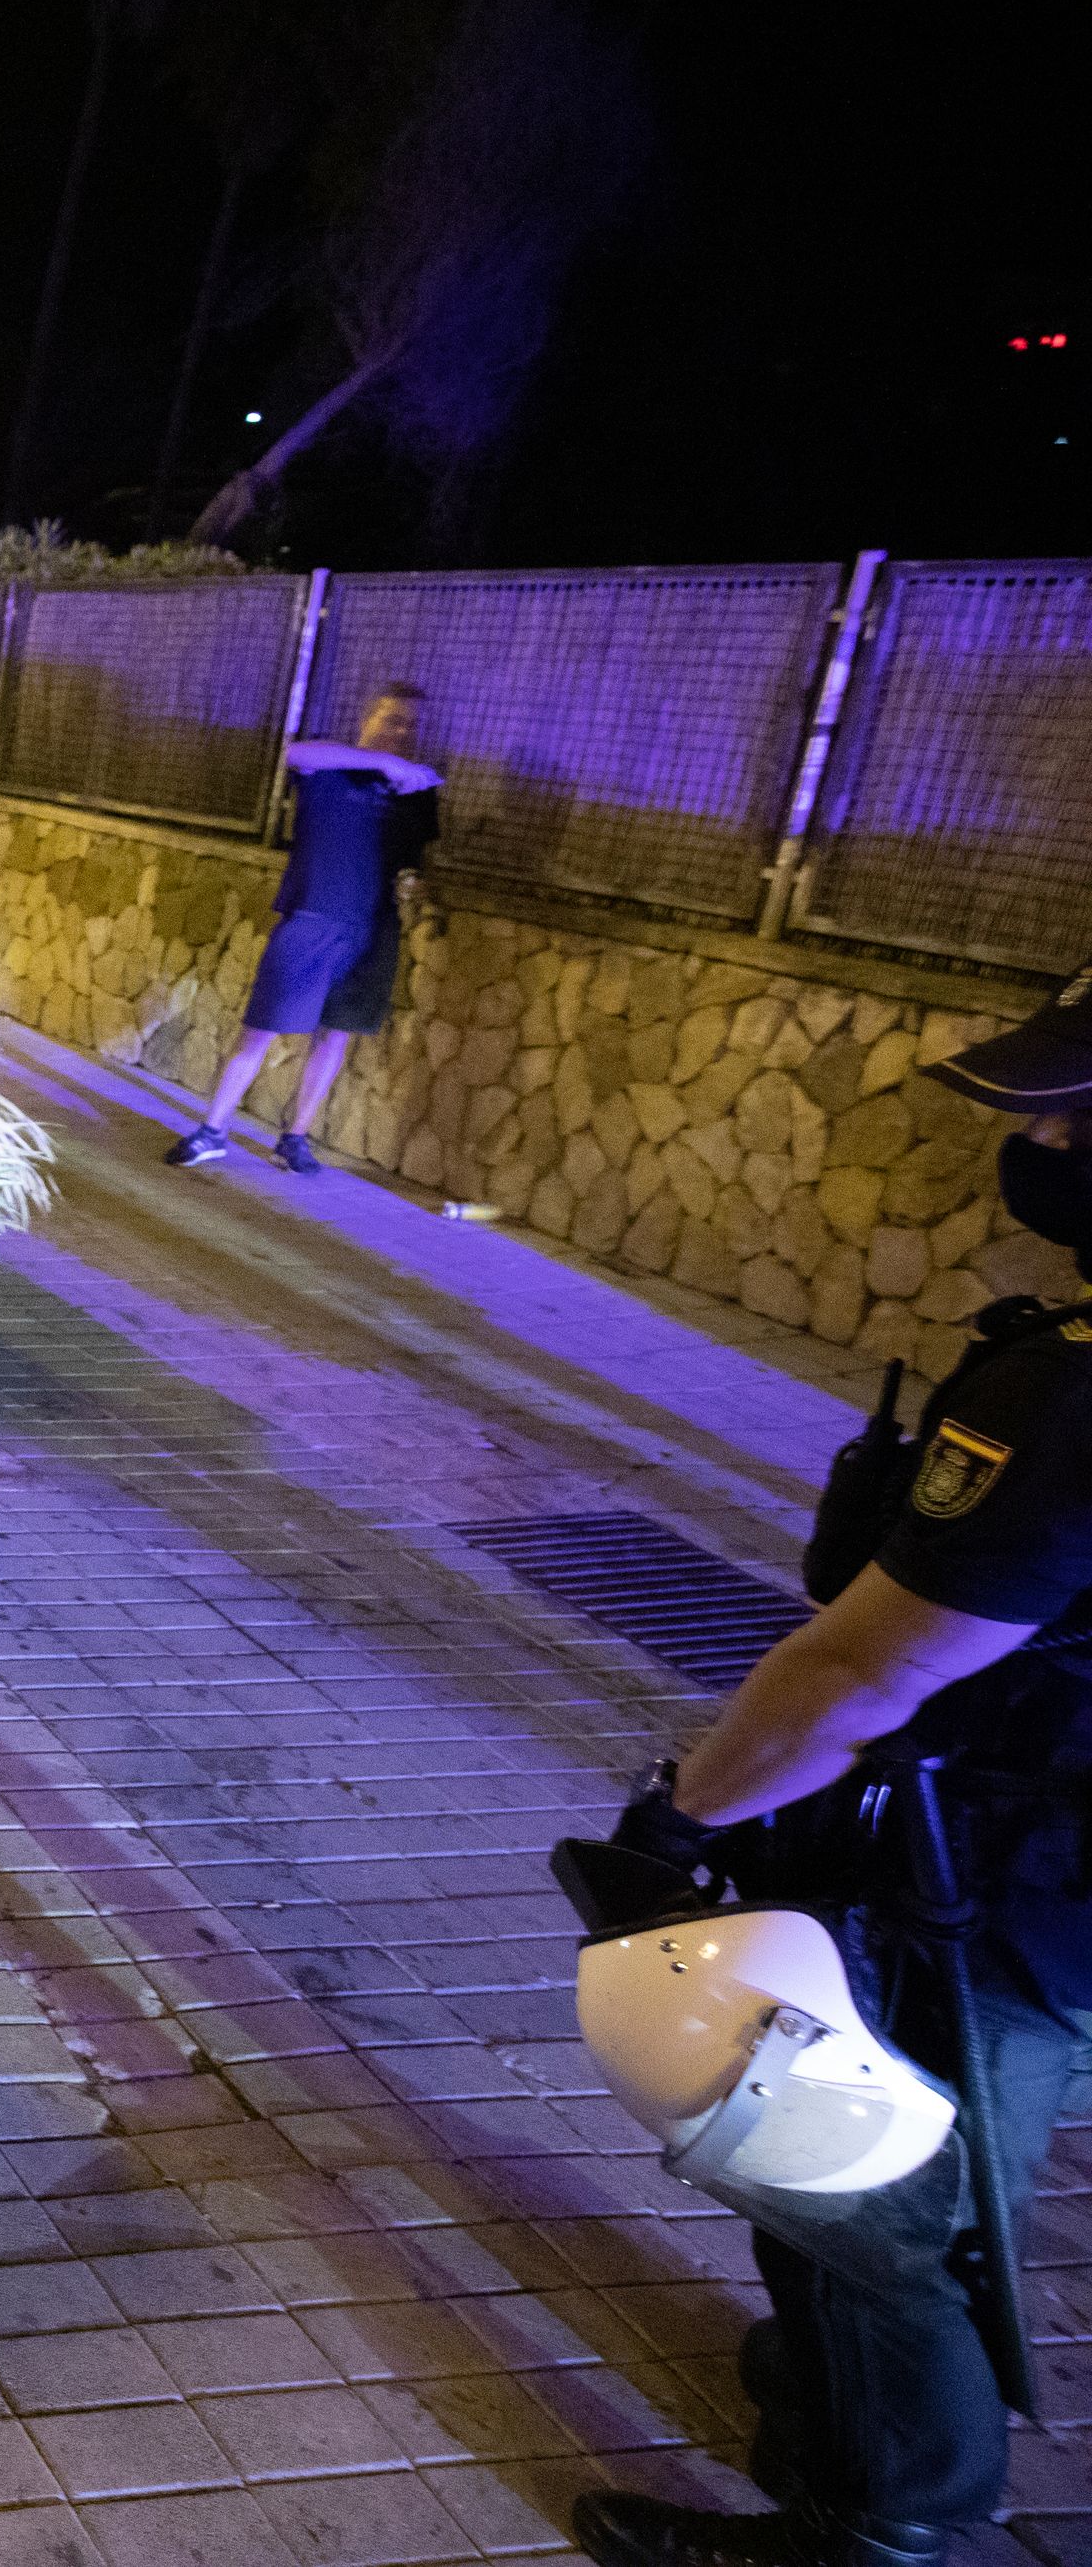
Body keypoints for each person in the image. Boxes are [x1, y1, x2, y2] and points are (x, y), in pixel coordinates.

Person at [560, 977, 1092, 2567]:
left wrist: (682, 1811)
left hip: (1011, 1874)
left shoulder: (1071, 1389)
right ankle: (848, 2396)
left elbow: (866, 1669)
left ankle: (886, 2519)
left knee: (863, 2179)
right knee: (934, 2167)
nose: (1055, 1147)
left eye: (1085, 1119)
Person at [167, 684, 443, 1173]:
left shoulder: (418, 791)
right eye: (392, 719)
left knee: (335, 1037)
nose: (401, 731)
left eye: (411, 724)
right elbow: (294, 753)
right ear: (367, 719)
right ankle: (212, 1131)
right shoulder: (331, 766)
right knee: (260, 1030)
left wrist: (412, 882)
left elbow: (411, 860)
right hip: (312, 918)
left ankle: (294, 1139)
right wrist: (385, 764)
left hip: (371, 929)